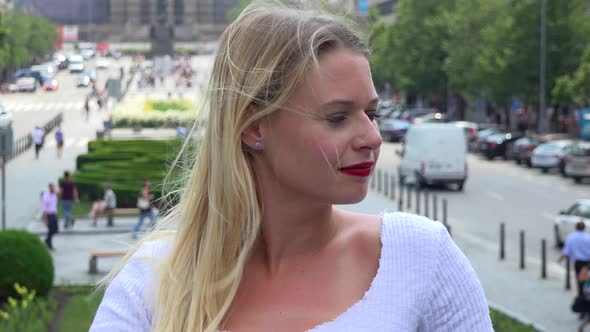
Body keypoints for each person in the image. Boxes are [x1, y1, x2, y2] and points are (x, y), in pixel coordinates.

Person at [90, 2, 492, 331]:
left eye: (372, 114)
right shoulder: (152, 285)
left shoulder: (421, 257)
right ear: (253, 127)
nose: (372, 138)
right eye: (337, 117)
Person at [560, 221, 590, 298]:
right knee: (587, 280)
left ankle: (581, 296)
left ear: (575, 227)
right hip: (588, 262)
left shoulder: (571, 237)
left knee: (580, 281)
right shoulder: (588, 237)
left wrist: (559, 260)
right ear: (584, 228)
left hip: (579, 263)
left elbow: (566, 252)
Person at [41, 183, 59, 250]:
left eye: (54, 188)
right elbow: (44, 208)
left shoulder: (54, 195)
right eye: (52, 188)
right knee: (51, 229)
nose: (53, 189)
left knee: (56, 229)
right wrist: (45, 219)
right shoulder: (46, 196)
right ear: (49, 188)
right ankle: (49, 243)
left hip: (54, 214)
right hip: (48, 215)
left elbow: (55, 204)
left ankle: (47, 240)